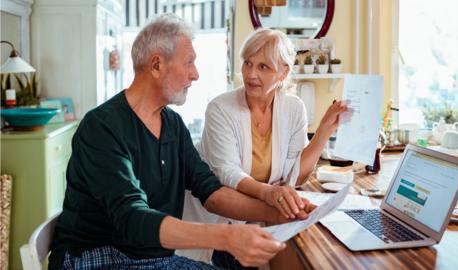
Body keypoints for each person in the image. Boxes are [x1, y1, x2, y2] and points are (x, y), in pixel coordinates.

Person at [48, 14, 314, 270]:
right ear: (156, 65)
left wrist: (281, 213)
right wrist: (225, 236)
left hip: (150, 258)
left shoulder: (173, 125)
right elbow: (132, 218)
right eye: (189, 63)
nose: (196, 74)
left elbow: (210, 191)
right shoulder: (102, 127)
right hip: (96, 258)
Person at [180, 28, 348, 267]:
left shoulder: (293, 108)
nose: (251, 74)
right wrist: (269, 192)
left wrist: (323, 132)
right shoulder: (220, 108)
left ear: (283, 72)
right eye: (248, 63)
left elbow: (295, 175)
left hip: (254, 227)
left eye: (263, 67)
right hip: (215, 225)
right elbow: (228, 173)